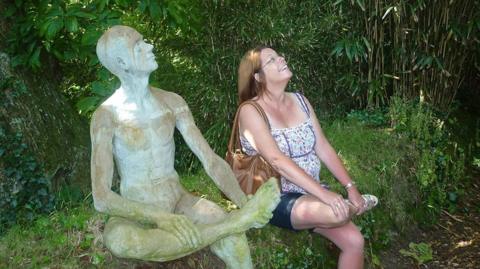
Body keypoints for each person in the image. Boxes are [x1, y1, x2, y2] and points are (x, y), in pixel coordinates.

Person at [90, 26, 280, 268]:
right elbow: (101, 197)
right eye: (139, 45)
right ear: (122, 62)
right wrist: (159, 217)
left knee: (232, 239)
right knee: (119, 240)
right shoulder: (106, 116)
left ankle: (238, 220)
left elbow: (209, 160)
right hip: (139, 210)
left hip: (179, 201)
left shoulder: (173, 102)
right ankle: (238, 222)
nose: (149, 47)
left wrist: (244, 201)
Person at [235, 46, 378, 269]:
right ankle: (355, 205)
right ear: (258, 77)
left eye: (279, 55)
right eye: (271, 60)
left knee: (355, 241)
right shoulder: (250, 111)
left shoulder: (300, 101)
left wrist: (349, 186)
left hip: (311, 191)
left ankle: (349, 203)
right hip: (276, 196)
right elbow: (276, 160)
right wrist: (326, 195)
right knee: (336, 212)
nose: (281, 59)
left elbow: (323, 147)